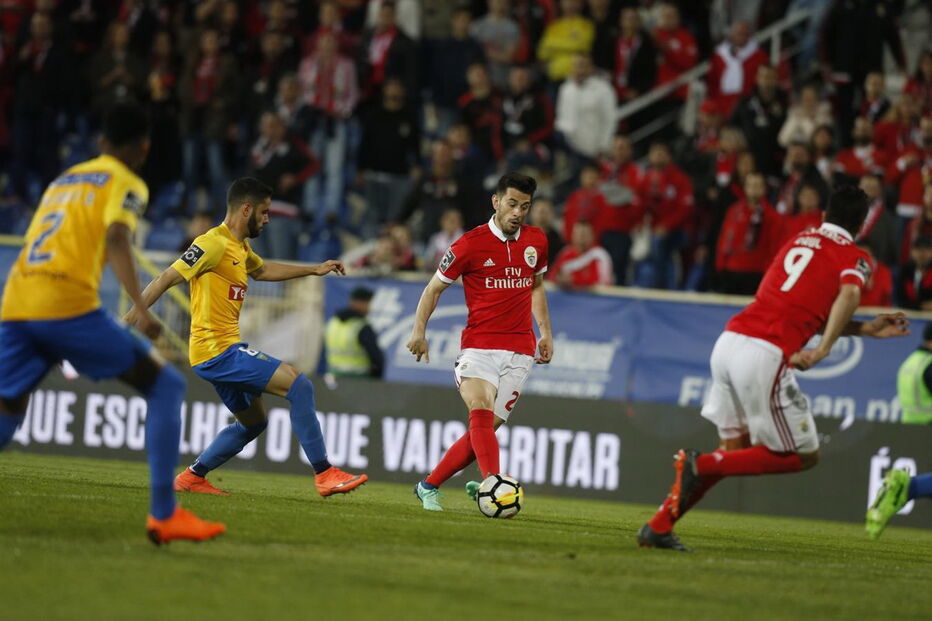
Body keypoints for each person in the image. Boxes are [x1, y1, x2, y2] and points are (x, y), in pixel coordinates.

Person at [637, 186, 910, 551]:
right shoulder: (855, 256)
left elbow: (798, 306)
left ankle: (658, 526)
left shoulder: (800, 239)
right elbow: (849, 294)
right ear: (862, 224)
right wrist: (823, 349)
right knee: (802, 454)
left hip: (730, 341)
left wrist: (863, 329)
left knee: (732, 451)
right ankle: (698, 464)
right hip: (764, 353)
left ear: (825, 214)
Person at [0, 103, 225, 544]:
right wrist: (141, 307)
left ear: (101, 141)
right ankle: (165, 515)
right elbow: (117, 236)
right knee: (166, 386)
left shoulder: (62, 180)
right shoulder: (126, 182)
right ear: (143, 147)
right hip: (65, 305)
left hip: (16, 303)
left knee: (9, 404)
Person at [126, 177, 368, 498]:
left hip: (218, 352)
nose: (267, 220)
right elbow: (165, 277)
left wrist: (314, 269)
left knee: (253, 423)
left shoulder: (240, 247)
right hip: (218, 351)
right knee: (299, 385)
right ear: (246, 209)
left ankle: (192, 477)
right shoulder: (212, 243)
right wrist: (130, 319)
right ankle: (324, 473)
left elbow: (263, 271)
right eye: (265, 213)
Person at [407, 172, 553, 511]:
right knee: (481, 411)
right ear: (496, 202)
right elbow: (433, 289)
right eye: (513, 204)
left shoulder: (537, 241)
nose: (518, 213)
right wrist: (419, 332)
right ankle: (496, 485)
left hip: (520, 350)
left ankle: (427, 485)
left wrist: (545, 331)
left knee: (482, 434)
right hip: (479, 347)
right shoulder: (468, 245)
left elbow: (537, 288)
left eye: (525, 206)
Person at [866, 322, 932, 540]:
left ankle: (910, 488)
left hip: (911, 427)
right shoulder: (928, 366)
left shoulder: (911, 363)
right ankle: (910, 488)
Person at [324, 287, 384, 379]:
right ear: (360, 303)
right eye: (368, 303)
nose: (369, 307)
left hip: (333, 375)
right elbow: (377, 358)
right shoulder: (362, 326)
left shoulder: (333, 322)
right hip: (358, 379)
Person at [550, 220, 614, 289]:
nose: (581, 237)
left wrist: (574, 280)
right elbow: (551, 276)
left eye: (584, 234)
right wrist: (558, 279)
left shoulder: (600, 255)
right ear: (572, 235)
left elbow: (605, 283)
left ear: (592, 236)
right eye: (578, 234)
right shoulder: (565, 253)